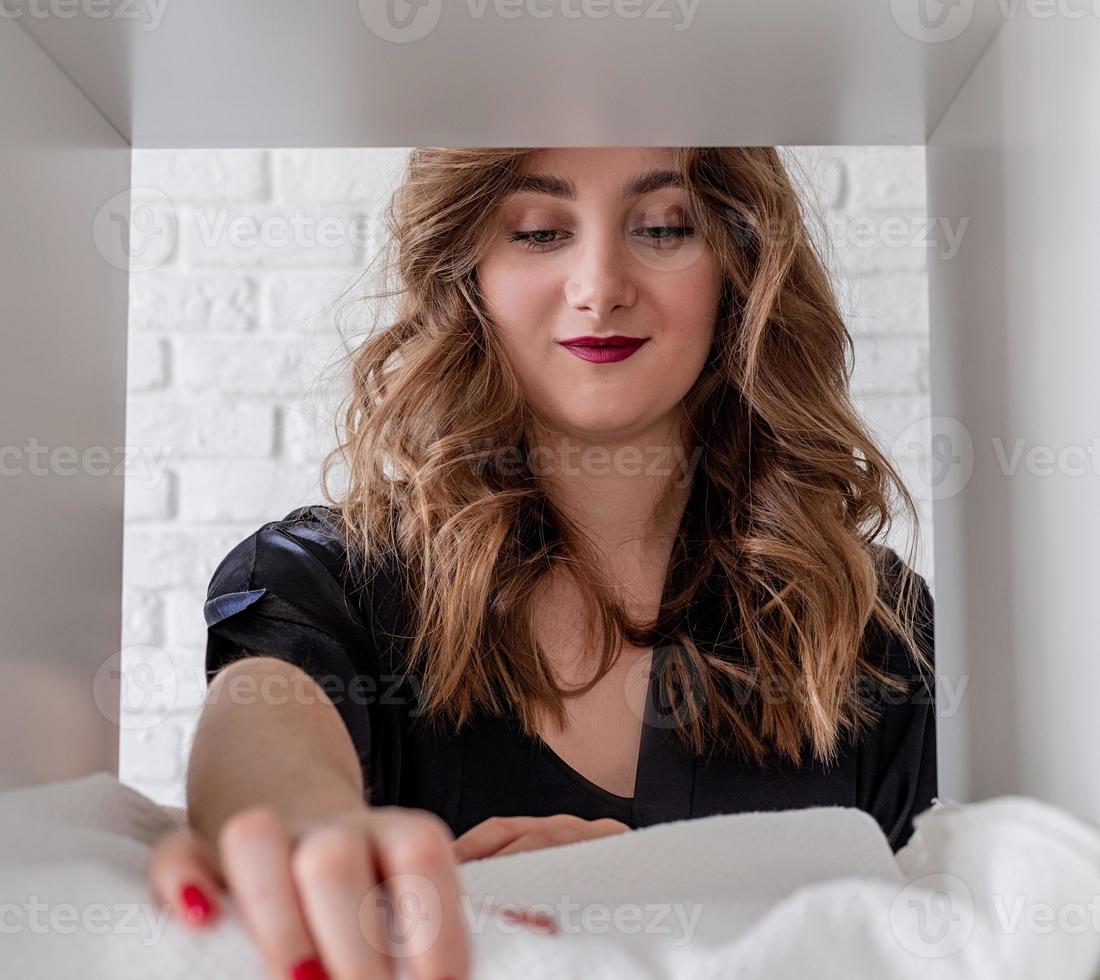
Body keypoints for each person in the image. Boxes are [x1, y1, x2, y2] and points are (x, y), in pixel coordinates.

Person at [148, 146, 937, 980]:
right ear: (469, 271)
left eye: (666, 227)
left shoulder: (872, 625)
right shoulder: (331, 580)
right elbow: (265, 727)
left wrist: (641, 886)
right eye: (536, 232)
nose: (600, 286)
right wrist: (302, 822)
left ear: (740, 264)